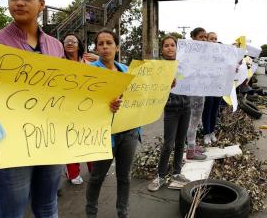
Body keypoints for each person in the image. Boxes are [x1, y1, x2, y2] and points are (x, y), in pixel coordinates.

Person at [0, 0, 64, 217]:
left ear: (41, 4)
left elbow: (66, 92)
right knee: (10, 211)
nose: (19, 2)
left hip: (50, 140)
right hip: (9, 145)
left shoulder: (56, 45)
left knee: (48, 206)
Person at [85, 29, 140, 218]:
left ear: (117, 47)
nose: (105, 47)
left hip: (129, 131)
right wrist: (105, 105)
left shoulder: (127, 71)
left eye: (109, 43)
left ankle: (122, 211)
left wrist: (166, 85)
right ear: (96, 48)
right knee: (97, 177)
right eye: (101, 43)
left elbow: (143, 95)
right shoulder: (90, 71)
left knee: (124, 177)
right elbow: (84, 102)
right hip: (104, 134)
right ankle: (91, 212)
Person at [147, 36, 191, 192]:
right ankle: (160, 176)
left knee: (180, 143)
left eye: (173, 45)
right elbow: (154, 88)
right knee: (168, 144)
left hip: (186, 107)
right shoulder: (158, 67)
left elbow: (187, 80)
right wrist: (166, 84)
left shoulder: (183, 65)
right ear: (162, 49)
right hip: (171, 110)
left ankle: (177, 173)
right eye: (166, 45)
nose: (170, 48)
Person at [62, 34, 94, 184]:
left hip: (87, 108)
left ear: (79, 45)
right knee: (71, 140)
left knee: (89, 138)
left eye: (73, 41)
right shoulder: (58, 61)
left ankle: (94, 168)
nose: (69, 43)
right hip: (66, 108)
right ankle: (73, 173)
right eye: (66, 41)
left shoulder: (88, 62)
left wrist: (97, 58)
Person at [186, 27, 208, 160]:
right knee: (192, 121)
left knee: (196, 120)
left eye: (205, 37)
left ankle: (192, 145)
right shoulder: (189, 54)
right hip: (192, 91)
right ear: (194, 38)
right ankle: (190, 151)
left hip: (201, 90)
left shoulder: (205, 54)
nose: (204, 39)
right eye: (201, 37)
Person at [202, 32, 222, 145]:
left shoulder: (220, 54)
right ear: (207, 40)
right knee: (207, 109)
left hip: (217, 86)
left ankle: (212, 132)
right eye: (211, 38)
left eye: (215, 39)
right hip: (206, 86)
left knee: (215, 110)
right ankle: (206, 133)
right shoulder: (203, 54)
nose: (213, 41)